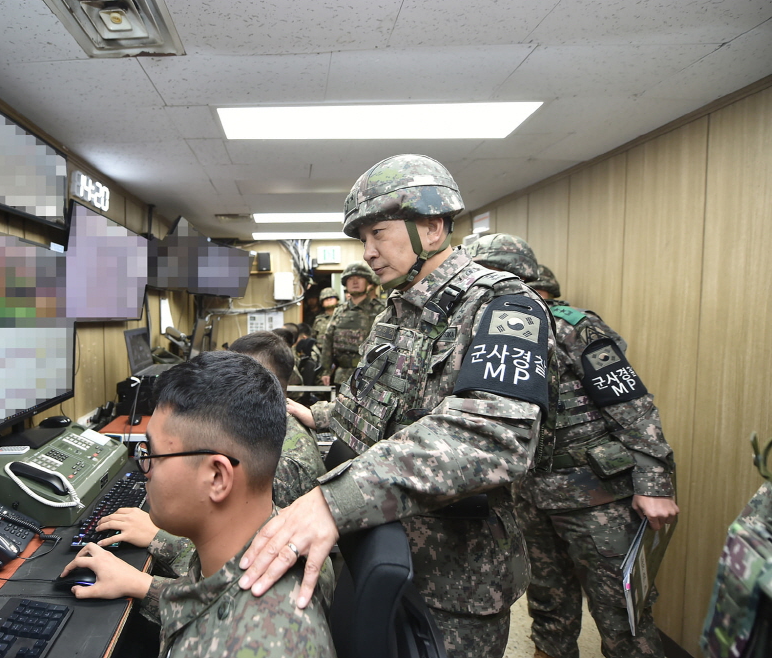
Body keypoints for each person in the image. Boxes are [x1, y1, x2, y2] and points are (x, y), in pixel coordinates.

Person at [238, 154, 557, 658]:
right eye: (361, 239)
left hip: (454, 580)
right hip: (377, 545)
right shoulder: (398, 309)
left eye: (378, 234)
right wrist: (318, 418)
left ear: (431, 228)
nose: (367, 252)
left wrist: (333, 500)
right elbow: (376, 411)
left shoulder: (504, 307)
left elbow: (491, 436)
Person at [465, 243, 678, 658]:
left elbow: (632, 407)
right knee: (548, 607)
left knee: (623, 618)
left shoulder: (574, 329)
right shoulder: (489, 333)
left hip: (596, 501)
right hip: (531, 495)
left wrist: (655, 482)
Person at [60, 351, 335, 657]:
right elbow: (214, 597)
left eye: (152, 453)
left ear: (217, 477)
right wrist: (143, 585)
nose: (144, 468)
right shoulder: (290, 540)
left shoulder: (254, 646)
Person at [318, 262, 386, 387]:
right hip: (342, 375)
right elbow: (328, 340)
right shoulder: (339, 311)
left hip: (370, 375)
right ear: (345, 284)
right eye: (350, 279)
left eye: (359, 278)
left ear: (368, 283)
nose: (355, 282)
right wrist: (325, 371)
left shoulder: (380, 309)